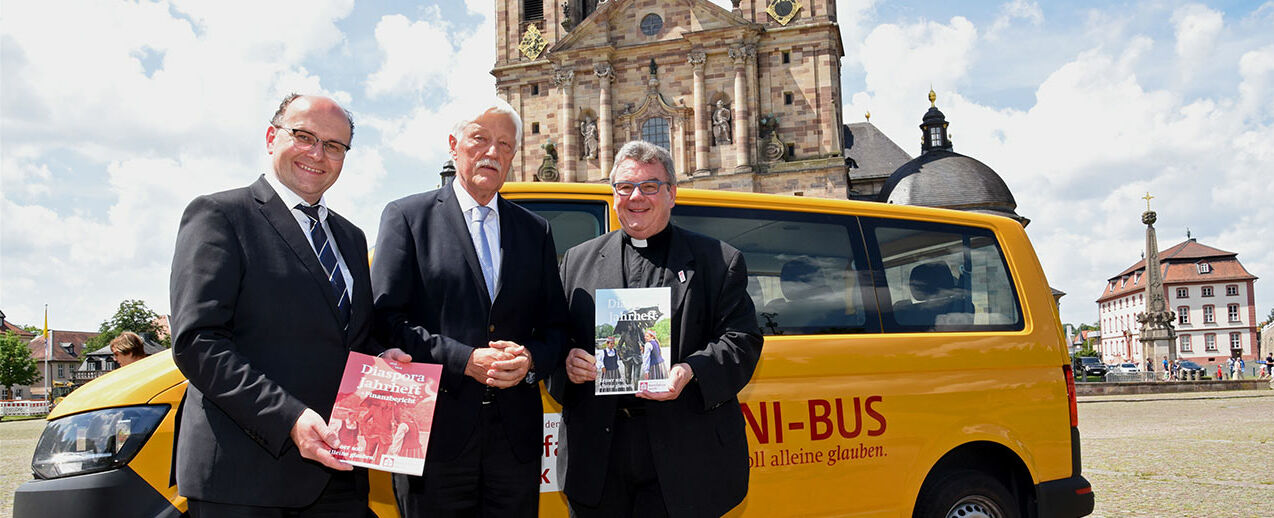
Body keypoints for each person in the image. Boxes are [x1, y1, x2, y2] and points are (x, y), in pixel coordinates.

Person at [170, 94, 409, 516]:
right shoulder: (221, 215)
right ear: (271, 137)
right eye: (304, 136)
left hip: (338, 471)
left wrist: (379, 358)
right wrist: (289, 419)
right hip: (245, 479)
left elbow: (348, 336)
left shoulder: (351, 237)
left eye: (334, 146)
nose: (318, 154)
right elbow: (198, 342)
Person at [371, 98, 569, 517]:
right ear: (453, 144)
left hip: (514, 443)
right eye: (480, 139)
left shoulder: (535, 231)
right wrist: (465, 360)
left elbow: (557, 328)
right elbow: (386, 321)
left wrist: (532, 359)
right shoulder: (408, 217)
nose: (493, 152)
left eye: (505, 145)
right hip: (430, 437)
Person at [552, 140, 764, 517]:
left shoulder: (718, 260)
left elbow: (742, 340)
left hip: (686, 455)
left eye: (650, 186)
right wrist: (567, 360)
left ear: (671, 194)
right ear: (613, 192)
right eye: (625, 186)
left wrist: (690, 371)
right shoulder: (576, 262)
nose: (636, 197)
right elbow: (553, 336)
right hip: (600, 457)